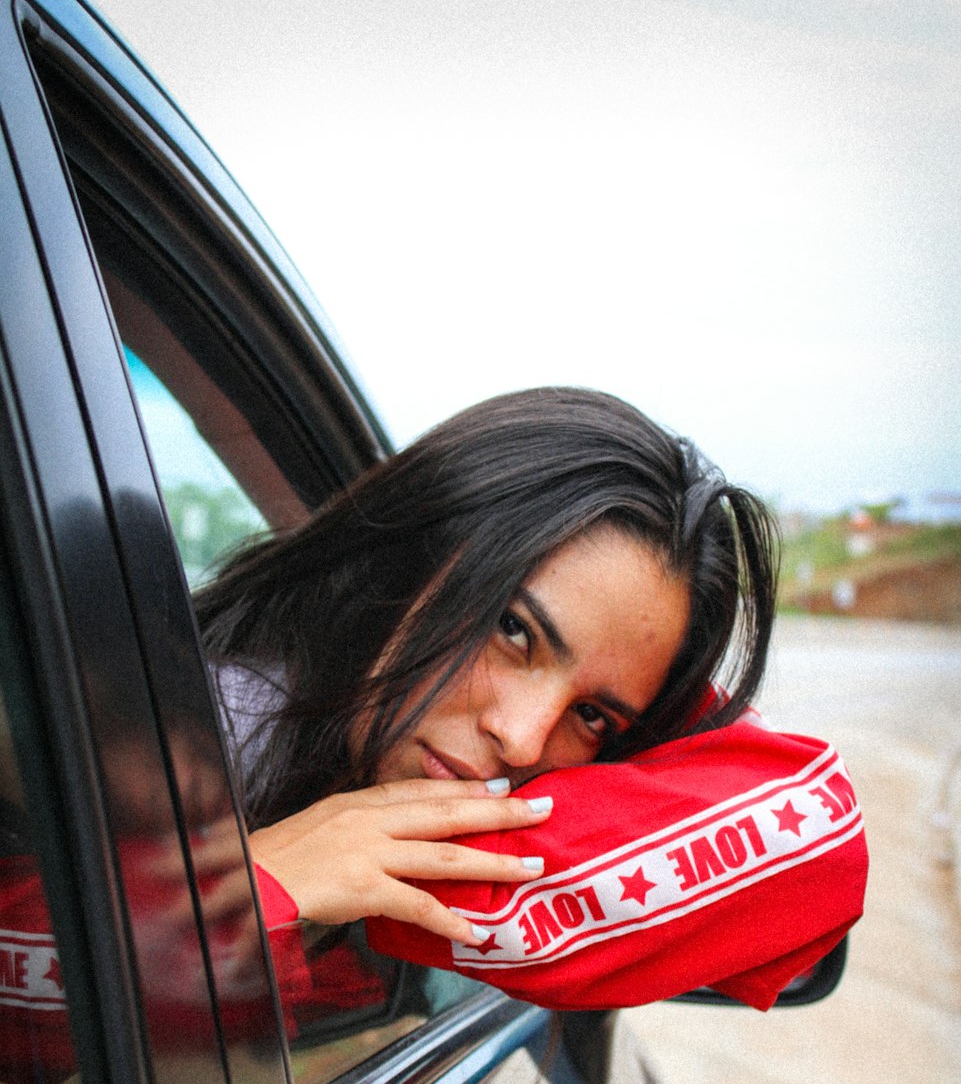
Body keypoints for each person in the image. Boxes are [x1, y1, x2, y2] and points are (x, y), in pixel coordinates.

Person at [195, 386, 867, 1013]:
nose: (522, 740)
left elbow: (805, 870)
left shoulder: (450, 855)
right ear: (411, 560)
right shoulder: (181, 742)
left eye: (593, 715)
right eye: (514, 630)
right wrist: (259, 894)